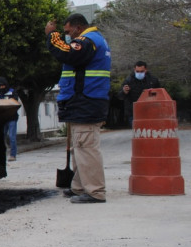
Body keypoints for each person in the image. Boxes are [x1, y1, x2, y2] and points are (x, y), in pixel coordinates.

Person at [46, 13, 111, 204]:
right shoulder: (95, 40)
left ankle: (95, 191)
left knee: (86, 147)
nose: (68, 36)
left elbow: (68, 53)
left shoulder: (88, 41)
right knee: (80, 148)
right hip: (82, 102)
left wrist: (52, 36)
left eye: (68, 32)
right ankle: (80, 187)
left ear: (78, 27)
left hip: (86, 102)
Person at [117, 60, 161, 127]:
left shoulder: (153, 80)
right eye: (137, 71)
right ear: (134, 70)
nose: (139, 73)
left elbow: (159, 94)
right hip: (134, 112)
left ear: (146, 70)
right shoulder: (128, 81)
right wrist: (124, 92)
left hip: (150, 110)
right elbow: (120, 96)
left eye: (142, 71)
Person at [0, 76, 19, 161]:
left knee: (12, 137)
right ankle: (0, 154)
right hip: (3, 119)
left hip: (12, 118)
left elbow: (16, 103)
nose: (1, 88)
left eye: (3, 86)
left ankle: (13, 155)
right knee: (1, 137)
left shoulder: (12, 92)